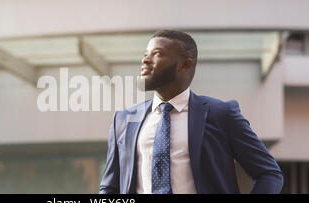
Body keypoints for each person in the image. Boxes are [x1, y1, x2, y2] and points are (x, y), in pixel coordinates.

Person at [99, 30, 283, 194]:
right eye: (146, 54)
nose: (145, 60)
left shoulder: (221, 115)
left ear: (185, 64)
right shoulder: (123, 120)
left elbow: (269, 173)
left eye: (157, 53)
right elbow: (110, 188)